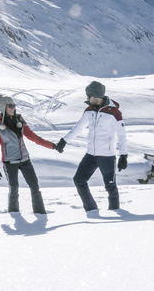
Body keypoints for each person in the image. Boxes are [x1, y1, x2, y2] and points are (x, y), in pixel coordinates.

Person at [54, 81, 128, 212]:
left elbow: (122, 135)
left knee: (110, 186)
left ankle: (115, 211)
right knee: (79, 180)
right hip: (91, 155)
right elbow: (78, 127)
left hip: (106, 156)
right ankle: (91, 209)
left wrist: (124, 155)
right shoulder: (89, 110)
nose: (88, 99)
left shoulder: (114, 112)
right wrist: (64, 141)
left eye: (89, 96)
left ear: (97, 96)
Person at [0, 94, 63, 214]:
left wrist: (53, 146)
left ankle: (40, 213)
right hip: (9, 162)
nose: (13, 108)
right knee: (13, 189)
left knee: (35, 187)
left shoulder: (19, 119)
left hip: (25, 160)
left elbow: (33, 137)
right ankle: (14, 214)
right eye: (10, 106)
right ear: (3, 107)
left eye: (14, 105)